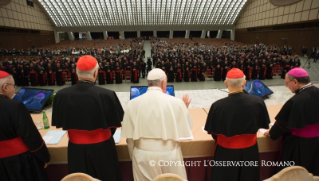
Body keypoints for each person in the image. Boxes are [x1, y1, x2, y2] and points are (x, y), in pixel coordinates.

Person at [52, 55, 124, 181]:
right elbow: (115, 123)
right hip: (103, 149)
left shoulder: (61, 95)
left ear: (76, 73)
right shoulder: (107, 95)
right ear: (96, 73)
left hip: (76, 150)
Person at [121, 68, 193, 181]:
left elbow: (129, 138)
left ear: (148, 83)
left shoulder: (132, 103)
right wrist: (183, 108)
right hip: (169, 155)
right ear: (163, 83)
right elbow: (185, 128)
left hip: (142, 155)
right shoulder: (176, 102)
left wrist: (134, 156)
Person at [204, 68, 270, 181]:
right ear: (244, 82)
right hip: (250, 151)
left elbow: (213, 132)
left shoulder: (217, 106)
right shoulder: (258, 102)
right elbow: (262, 124)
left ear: (226, 83)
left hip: (226, 153)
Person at [264, 68, 319, 176]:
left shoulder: (295, 101)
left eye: (287, 83)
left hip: (300, 145)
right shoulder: (317, 91)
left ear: (295, 82)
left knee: (296, 174)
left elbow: (282, 124)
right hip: (316, 143)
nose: (286, 86)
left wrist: (271, 132)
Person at [0, 70, 50, 181]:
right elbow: (30, 136)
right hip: (17, 162)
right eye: (13, 86)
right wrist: (44, 157)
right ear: (5, 87)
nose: (14, 89)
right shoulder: (14, 106)